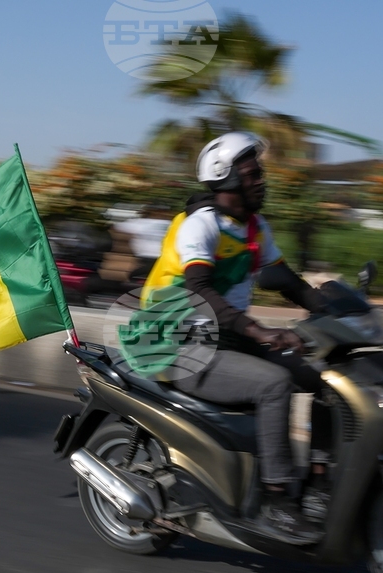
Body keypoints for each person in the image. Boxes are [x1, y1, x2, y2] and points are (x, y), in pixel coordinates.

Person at [141, 132, 332, 544]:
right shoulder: (201, 226)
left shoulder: (253, 227)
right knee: (273, 384)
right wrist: (258, 330)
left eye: (259, 172)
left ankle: (318, 486)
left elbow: (286, 281)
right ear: (224, 178)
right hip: (177, 343)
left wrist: (332, 309)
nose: (262, 179)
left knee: (328, 380)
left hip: (224, 336)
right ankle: (276, 502)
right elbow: (199, 291)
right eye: (253, 173)